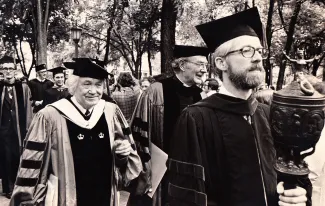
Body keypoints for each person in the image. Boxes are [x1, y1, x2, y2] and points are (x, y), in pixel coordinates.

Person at [168, 8, 310, 206]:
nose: (258, 58)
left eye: (260, 51)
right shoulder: (195, 119)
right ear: (221, 63)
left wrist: (299, 195)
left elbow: (294, 173)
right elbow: (186, 196)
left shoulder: (271, 115)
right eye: (246, 51)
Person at [10, 58, 142, 206]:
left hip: (104, 194)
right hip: (66, 196)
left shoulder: (110, 111)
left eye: (98, 85)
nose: (93, 91)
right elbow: (31, 164)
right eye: (87, 84)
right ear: (73, 86)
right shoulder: (49, 116)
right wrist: (27, 199)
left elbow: (124, 160)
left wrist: (121, 153)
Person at [130, 45, 209, 206]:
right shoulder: (156, 90)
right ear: (182, 65)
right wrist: (145, 170)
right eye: (200, 64)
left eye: (206, 65)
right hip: (160, 171)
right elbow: (139, 134)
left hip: (189, 171)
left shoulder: (200, 95)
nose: (204, 70)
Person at [0, 55, 32, 199]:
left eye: (10, 69)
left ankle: (20, 187)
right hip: (3, 131)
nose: (7, 71)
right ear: (1, 70)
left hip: (20, 130)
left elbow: (29, 110)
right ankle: (8, 188)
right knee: (5, 157)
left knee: (18, 157)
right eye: (5, 69)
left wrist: (29, 129)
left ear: (15, 70)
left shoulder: (23, 88)